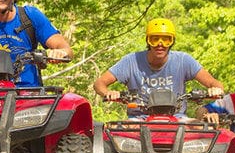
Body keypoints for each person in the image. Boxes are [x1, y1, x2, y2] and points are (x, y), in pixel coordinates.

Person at [93, 18, 224, 118]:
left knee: (202, 132)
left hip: (177, 118)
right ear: (147, 41)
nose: (160, 45)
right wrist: (108, 93)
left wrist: (215, 89)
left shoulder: (183, 60)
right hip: (139, 118)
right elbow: (99, 83)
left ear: (172, 41)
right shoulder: (131, 61)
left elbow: (215, 83)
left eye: (166, 40)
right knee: (114, 138)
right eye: (154, 39)